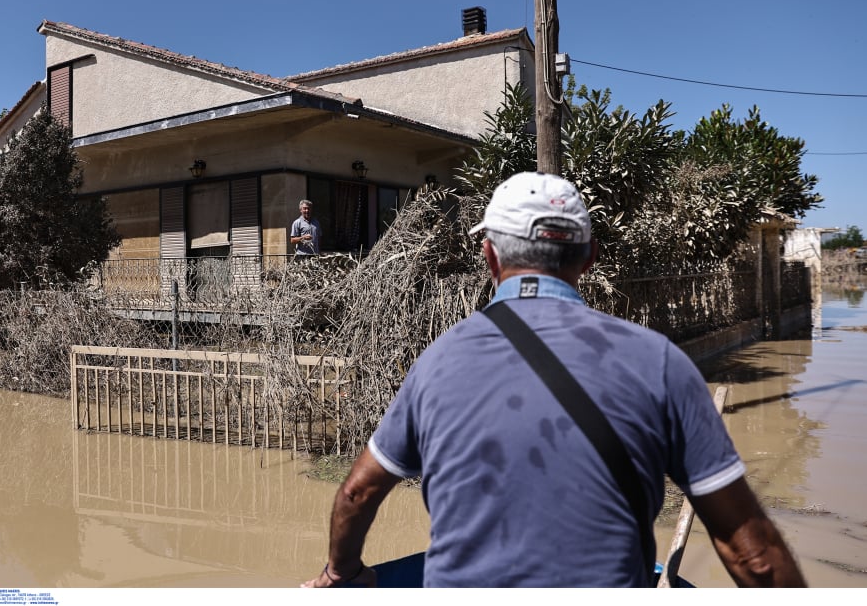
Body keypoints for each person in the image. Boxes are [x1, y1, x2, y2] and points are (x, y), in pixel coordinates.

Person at [302, 172, 806, 588]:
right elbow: (754, 556)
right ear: (589, 257)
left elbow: (357, 494)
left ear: (490, 257)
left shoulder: (437, 362)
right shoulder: (659, 363)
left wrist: (340, 572)